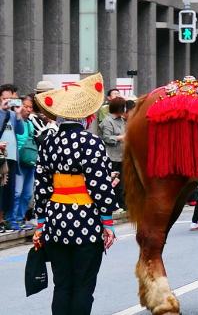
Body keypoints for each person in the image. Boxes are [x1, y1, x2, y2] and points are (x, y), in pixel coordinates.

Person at [32, 73, 118, 315]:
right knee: (83, 285)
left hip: (56, 219)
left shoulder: (48, 142)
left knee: (62, 285)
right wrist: (108, 223)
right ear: (85, 116)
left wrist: (41, 223)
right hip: (86, 219)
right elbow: (100, 185)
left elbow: (41, 185)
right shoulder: (91, 142)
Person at [10, 95, 37, 230]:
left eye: (30, 107)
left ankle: (20, 219)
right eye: (25, 106)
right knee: (17, 192)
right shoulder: (14, 120)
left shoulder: (30, 123)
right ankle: (12, 219)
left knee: (27, 193)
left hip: (30, 162)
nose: (28, 109)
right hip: (19, 161)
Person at [0, 84, 25, 231]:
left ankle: (5, 220)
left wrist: (18, 114)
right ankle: (2, 220)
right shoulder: (2, 113)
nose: (8, 101)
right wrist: (2, 110)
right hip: (1, 157)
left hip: (11, 157)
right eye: (5, 98)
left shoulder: (11, 114)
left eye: (10, 99)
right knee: (1, 190)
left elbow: (20, 131)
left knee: (9, 190)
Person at [99, 96, 127, 210]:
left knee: (122, 182)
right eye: (123, 107)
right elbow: (107, 138)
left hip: (122, 156)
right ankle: (114, 205)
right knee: (113, 182)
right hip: (112, 156)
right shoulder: (107, 121)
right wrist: (121, 137)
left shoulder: (121, 120)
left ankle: (122, 204)